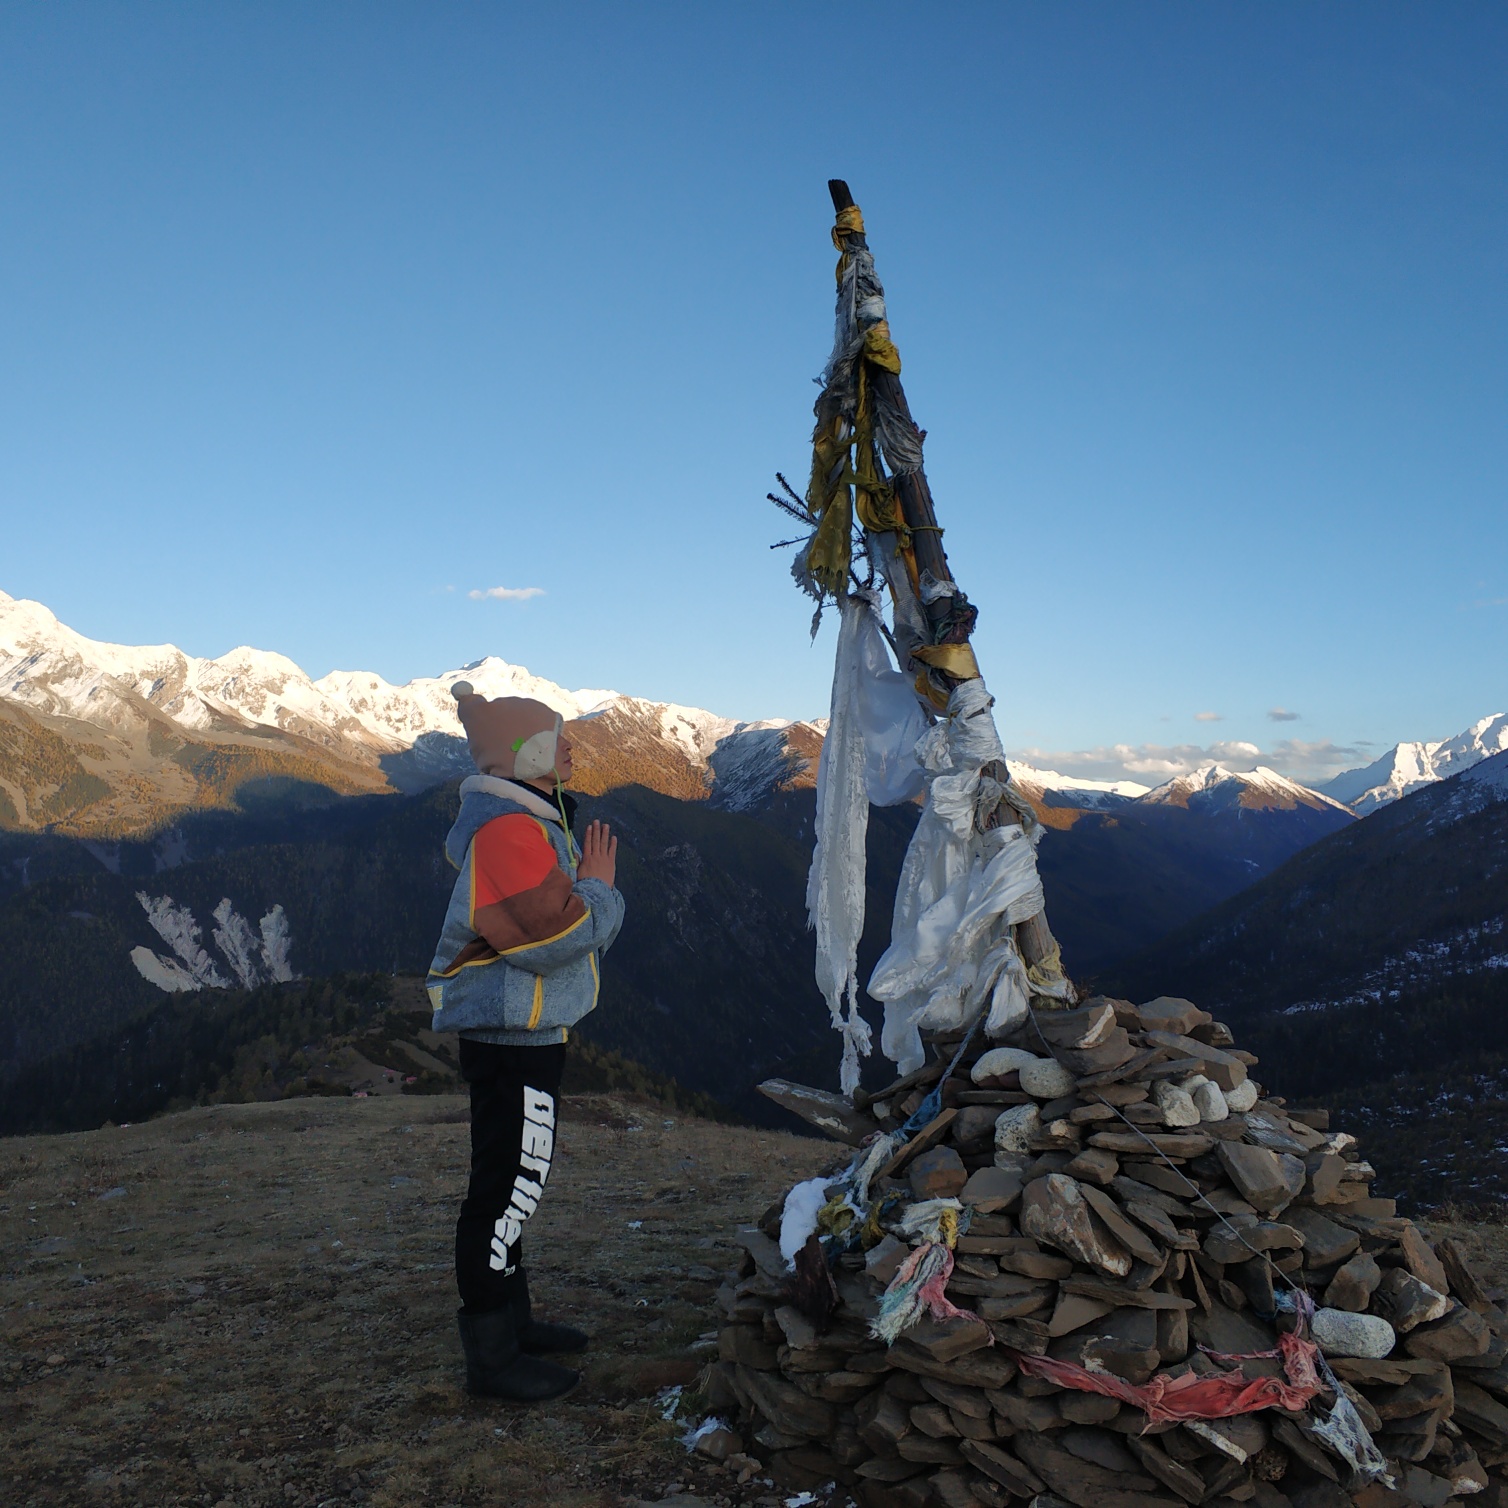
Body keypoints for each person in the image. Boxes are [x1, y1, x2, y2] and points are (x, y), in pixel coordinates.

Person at [426, 682, 625, 1403]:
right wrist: (601, 888)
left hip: (523, 1029)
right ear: (519, 754)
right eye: (554, 737)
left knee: (515, 1185)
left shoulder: (527, 820)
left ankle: (513, 1324)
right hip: (513, 1034)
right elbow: (554, 937)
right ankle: (492, 1357)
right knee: (505, 1190)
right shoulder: (509, 831)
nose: (569, 747)